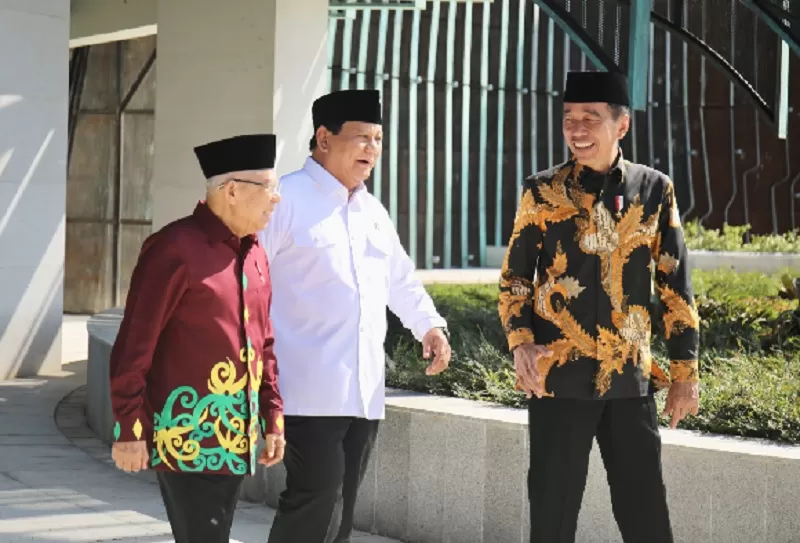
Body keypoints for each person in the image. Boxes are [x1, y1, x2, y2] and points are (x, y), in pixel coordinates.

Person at [498, 71, 700, 543]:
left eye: (591, 118)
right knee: (552, 516)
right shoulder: (541, 191)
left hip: (630, 381)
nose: (577, 129)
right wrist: (521, 344)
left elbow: (675, 284)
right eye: (569, 118)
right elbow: (514, 279)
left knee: (646, 514)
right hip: (558, 379)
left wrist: (684, 373)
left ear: (621, 126)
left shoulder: (654, 190)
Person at [260, 89, 452, 543]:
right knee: (314, 496)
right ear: (324, 138)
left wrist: (430, 325)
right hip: (304, 386)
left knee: (343, 505)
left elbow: (399, 277)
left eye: (378, 139)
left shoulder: (371, 210)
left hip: (362, 389)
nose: (372, 149)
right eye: (362, 137)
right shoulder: (283, 199)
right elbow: (248, 285)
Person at [108, 133, 286, 543]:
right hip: (186, 435)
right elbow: (136, 343)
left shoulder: (255, 253)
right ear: (232, 191)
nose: (276, 199)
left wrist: (272, 416)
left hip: (238, 436)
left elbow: (266, 343)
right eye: (269, 188)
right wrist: (129, 426)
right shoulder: (173, 249)